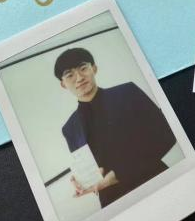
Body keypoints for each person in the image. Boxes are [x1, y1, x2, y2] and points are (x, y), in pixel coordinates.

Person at [55, 46, 176, 208]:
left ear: (94, 69)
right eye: (70, 75)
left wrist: (118, 174)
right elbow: (91, 166)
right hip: (113, 201)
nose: (79, 78)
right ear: (63, 84)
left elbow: (167, 136)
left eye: (83, 68)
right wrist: (82, 179)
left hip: (155, 181)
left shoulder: (128, 92)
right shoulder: (69, 128)